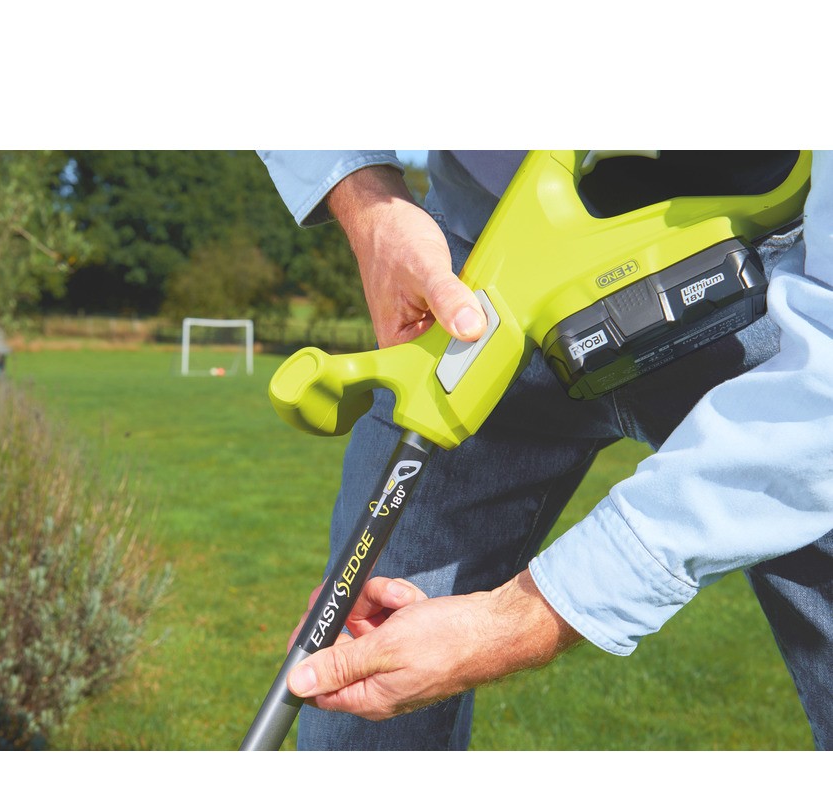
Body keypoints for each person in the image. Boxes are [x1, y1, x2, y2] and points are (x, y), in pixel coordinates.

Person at [257, 150, 833, 750]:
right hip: (466, 284)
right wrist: (370, 205)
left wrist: (518, 622)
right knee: (358, 682)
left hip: (776, 291)